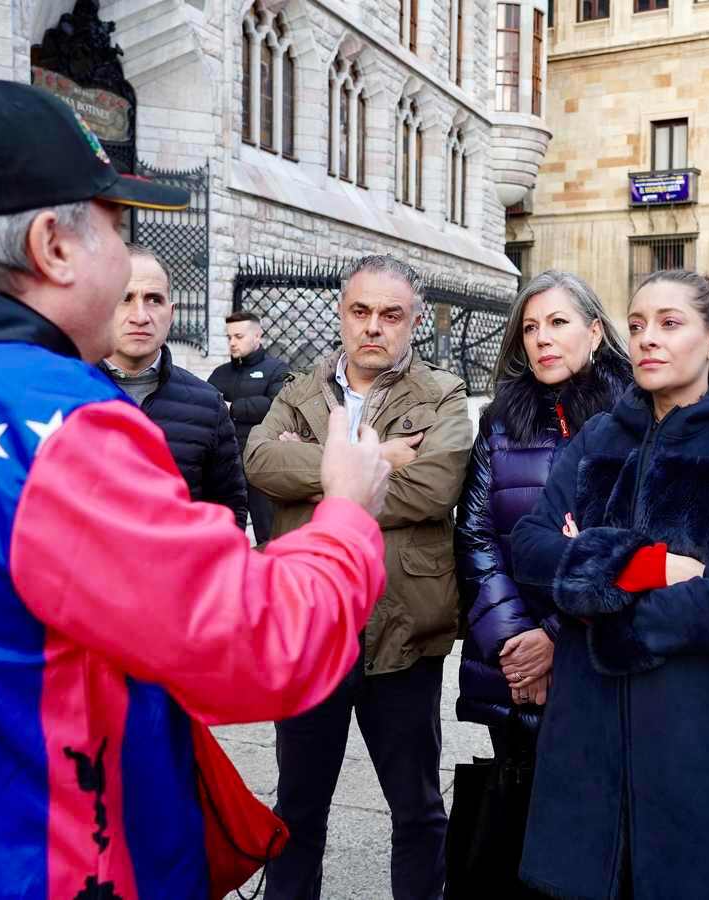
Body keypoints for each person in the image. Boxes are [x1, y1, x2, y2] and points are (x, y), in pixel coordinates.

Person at [0, 77, 392, 899]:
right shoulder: (46, 419)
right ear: (51, 246)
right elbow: (259, 645)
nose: (129, 253)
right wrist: (346, 513)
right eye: (115, 224)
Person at [509, 270, 709, 900]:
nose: (648, 339)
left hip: (701, 735)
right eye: (638, 324)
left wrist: (591, 591)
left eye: (671, 324)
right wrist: (653, 567)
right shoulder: (599, 438)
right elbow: (532, 553)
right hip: (587, 739)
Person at [244, 254, 474, 900]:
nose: (373, 327)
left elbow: (434, 487)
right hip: (309, 627)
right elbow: (260, 459)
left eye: (391, 315)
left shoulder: (442, 394)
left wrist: (316, 477)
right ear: (343, 314)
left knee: (417, 806)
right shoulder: (298, 391)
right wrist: (376, 465)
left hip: (402, 628)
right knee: (297, 809)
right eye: (361, 311)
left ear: (415, 322)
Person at [449, 271, 631, 891]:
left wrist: (557, 638)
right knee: (516, 827)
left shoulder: (635, 419)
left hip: (594, 657)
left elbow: (631, 541)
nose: (542, 339)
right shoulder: (500, 420)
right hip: (513, 666)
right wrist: (516, 644)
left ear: (595, 331)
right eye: (530, 327)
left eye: (557, 323)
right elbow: (473, 535)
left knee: (597, 836)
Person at [100, 244, 248, 527]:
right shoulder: (65, 396)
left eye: (153, 299)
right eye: (125, 298)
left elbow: (229, 514)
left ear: (171, 312)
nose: (140, 315)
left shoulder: (207, 405)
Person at [208, 310, 289, 542]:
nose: (232, 342)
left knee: (268, 533)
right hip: (226, 465)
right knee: (224, 533)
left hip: (261, 463)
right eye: (229, 337)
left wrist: (233, 407)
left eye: (239, 336)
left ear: (257, 336)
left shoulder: (277, 369)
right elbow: (208, 407)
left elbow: (275, 405)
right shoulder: (219, 374)